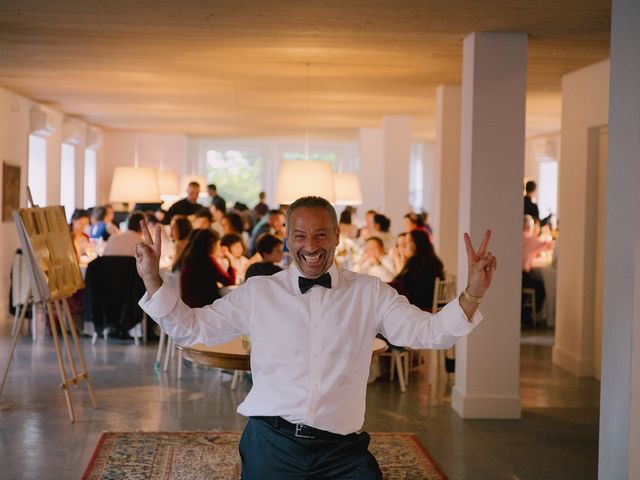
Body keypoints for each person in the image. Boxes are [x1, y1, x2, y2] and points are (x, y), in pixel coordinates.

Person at [136, 195, 496, 479]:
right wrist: (153, 279)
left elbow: (429, 332)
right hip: (272, 440)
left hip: (342, 448)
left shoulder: (370, 293)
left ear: (338, 237)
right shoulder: (259, 292)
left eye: (321, 233)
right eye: (300, 235)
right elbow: (192, 327)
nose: (311, 244)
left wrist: (473, 293)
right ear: (287, 239)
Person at [174, 228, 236, 308]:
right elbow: (230, 281)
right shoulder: (207, 260)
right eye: (218, 244)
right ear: (212, 244)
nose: (219, 247)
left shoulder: (190, 258)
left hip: (189, 305)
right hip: (204, 306)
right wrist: (230, 260)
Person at [390, 230, 444, 312]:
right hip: (429, 305)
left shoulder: (417, 263)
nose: (405, 247)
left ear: (416, 243)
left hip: (419, 308)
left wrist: (398, 259)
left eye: (407, 243)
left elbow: (401, 283)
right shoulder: (431, 260)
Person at [522, 214, 554, 317]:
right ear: (528, 227)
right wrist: (551, 234)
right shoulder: (527, 238)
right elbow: (547, 245)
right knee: (541, 287)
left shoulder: (522, 237)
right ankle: (530, 316)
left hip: (519, 275)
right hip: (522, 276)